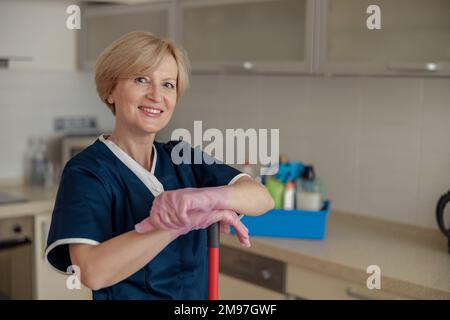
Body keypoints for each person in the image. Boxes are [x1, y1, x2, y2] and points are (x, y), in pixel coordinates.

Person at [45, 31, 274, 300]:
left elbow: (261, 198)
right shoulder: (87, 171)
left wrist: (203, 198)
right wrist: (179, 223)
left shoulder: (182, 156)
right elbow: (91, 271)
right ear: (109, 91)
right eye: (141, 79)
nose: (156, 95)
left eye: (168, 84)